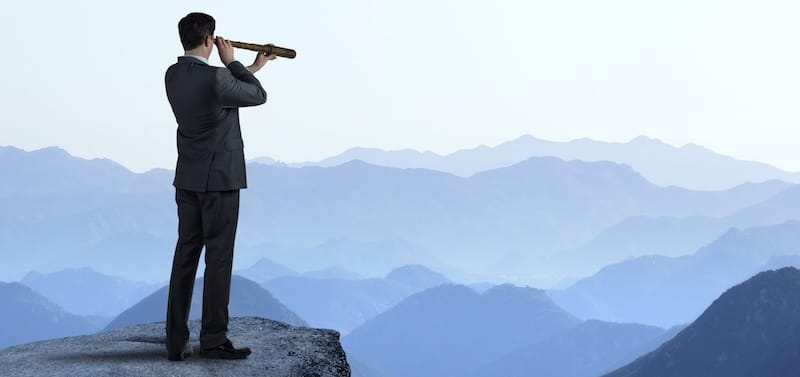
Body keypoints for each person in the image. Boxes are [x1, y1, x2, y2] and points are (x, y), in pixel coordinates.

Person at [163, 12, 276, 362]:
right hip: (220, 182)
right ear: (210, 40)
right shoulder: (218, 77)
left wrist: (251, 66)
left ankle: (175, 340)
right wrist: (236, 62)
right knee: (219, 259)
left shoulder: (173, 75)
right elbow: (257, 96)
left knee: (185, 256)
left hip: (188, 180)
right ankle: (213, 339)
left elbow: (222, 91)